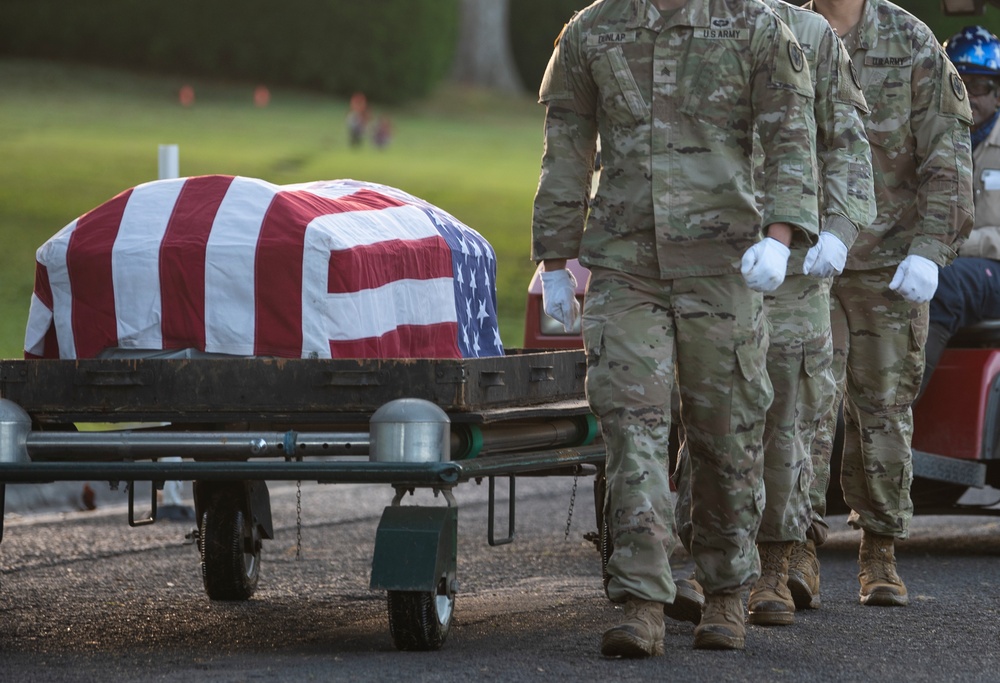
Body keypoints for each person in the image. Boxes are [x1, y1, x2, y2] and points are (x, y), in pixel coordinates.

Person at [531, 0, 818, 657]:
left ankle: (723, 591)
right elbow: (565, 151)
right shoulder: (591, 32)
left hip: (724, 265)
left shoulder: (752, 28)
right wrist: (553, 260)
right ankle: (641, 600)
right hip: (627, 266)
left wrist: (779, 237)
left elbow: (791, 137)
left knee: (726, 433)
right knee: (633, 427)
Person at [669, 0, 876, 627]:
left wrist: (837, 231)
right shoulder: (688, 25)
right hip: (710, 251)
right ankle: (713, 562)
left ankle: (776, 565)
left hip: (792, 265)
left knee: (787, 413)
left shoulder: (812, 35)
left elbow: (846, 144)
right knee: (711, 411)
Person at [800, 0, 974, 608]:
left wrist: (930, 249)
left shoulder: (912, 41)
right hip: (804, 258)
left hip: (886, 261)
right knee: (802, 403)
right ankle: (794, 547)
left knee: (881, 410)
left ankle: (880, 550)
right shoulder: (788, 31)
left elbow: (948, 153)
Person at [920, 26, 1000, 399]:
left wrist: (954, 246)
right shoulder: (926, 136)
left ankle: (893, 410)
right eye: (957, 80)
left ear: (997, 93)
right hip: (938, 257)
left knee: (940, 283)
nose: (967, 93)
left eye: (979, 85)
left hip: (988, 267)